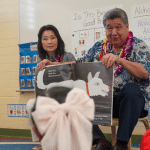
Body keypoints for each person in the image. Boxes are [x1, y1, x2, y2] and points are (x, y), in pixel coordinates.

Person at [77, 8, 150, 150]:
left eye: (118, 27)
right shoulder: (99, 47)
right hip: (103, 103)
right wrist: (52, 64)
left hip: (131, 104)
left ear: (127, 27)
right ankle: (101, 141)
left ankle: (121, 144)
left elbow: (145, 72)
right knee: (76, 96)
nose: (114, 32)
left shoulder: (138, 45)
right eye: (109, 28)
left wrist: (120, 60)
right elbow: (78, 64)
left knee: (131, 88)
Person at [26, 24, 76, 150]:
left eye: (52, 37)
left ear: (58, 39)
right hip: (48, 98)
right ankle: (44, 142)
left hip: (67, 98)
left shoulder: (67, 55)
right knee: (31, 104)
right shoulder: (40, 60)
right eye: (45, 38)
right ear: (41, 42)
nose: (49, 42)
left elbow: (75, 66)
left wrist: (52, 64)